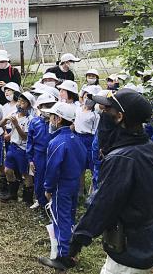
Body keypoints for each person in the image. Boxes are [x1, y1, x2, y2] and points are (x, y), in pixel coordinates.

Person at [69, 89, 153, 273]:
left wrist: (78, 239)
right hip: (147, 238)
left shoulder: (123, 158)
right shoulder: (147, 145)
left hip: (130, 248)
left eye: (107, 110)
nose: (103, 112)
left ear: (119, 117)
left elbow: (103, 204)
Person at [38, 102, 87, 270]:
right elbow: (83, 162)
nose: (50, 120)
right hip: (73, 184)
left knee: (61, 220)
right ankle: (71, 252)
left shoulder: (57, 142)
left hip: (62, 186)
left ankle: (62, 257)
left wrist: (48, 188)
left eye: (51, 117)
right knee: (69, 217)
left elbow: (52, 169)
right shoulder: (77, 139)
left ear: (58, 119)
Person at [0, 91, 36, 204]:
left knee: (25, 174)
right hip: (12, 146)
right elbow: (0, 124)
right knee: (8, 170)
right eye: (19, 101)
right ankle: (13, 193)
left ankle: (27, 198)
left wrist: (16, 125)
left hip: (23, 149)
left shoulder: (30, 120)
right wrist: (6, 120)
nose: (20, 104)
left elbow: (25, 137)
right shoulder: (14, 114)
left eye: (23, 102)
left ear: (29, 105)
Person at [26, 93, 57, 210]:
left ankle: (52, 203)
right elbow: (30, 142)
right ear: (39, 107)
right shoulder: (34, 122)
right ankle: (41, 201)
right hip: (39, 155)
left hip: (53, 154)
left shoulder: (56, 122)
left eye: (51, 105)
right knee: (39, 179)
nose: (48, 109)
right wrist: (30, 159)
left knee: (52, 178)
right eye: (45, 105)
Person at [74, 85, 101, 197]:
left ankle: (93, 191)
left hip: (89, 139)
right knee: (80, 165)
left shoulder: (95, 115)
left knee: (92, 165)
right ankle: (80, 189)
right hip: (78, 138)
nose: (88, 100)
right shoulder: (78, 109)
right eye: (86, 96)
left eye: (91, 98)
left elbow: (95, 131)